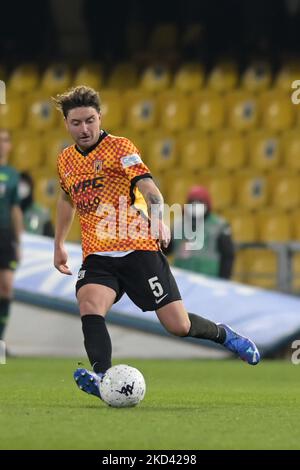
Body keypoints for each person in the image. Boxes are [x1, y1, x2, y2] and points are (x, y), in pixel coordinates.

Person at [53, 86, 260, 401]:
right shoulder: (65, 161)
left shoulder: (119, 148)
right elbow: (67, 200)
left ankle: (224, 335)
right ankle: (102, 376)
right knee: (89, 305)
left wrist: (158, 217)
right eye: (77, 123)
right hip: (98, 255)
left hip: (138, 249)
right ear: (66, 124)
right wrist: (59, 244)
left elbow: (150, 189)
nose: (84, 129)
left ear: (100, 118)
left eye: (90, 121)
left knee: (178, 325)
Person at [166, 186, 235, 279]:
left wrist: (223, 280)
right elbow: (166, 248)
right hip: (181, 280)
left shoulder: (219, 226)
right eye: (193, 203)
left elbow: (227, 256)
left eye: (200, 203)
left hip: (208, 280)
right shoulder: (178, 224)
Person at [0, 129, 23, 341]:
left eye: (5, 140)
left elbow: (15, 208)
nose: (1, 144)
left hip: (5, 236)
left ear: (10, 145)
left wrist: (18, 241)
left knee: (6, 287)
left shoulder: (13, 174)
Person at [18, 171, 54, 237]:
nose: (21, 188)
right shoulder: (7, 209)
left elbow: (50, 237)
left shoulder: (40, 212)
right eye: (19, 184)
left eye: (25, 184)